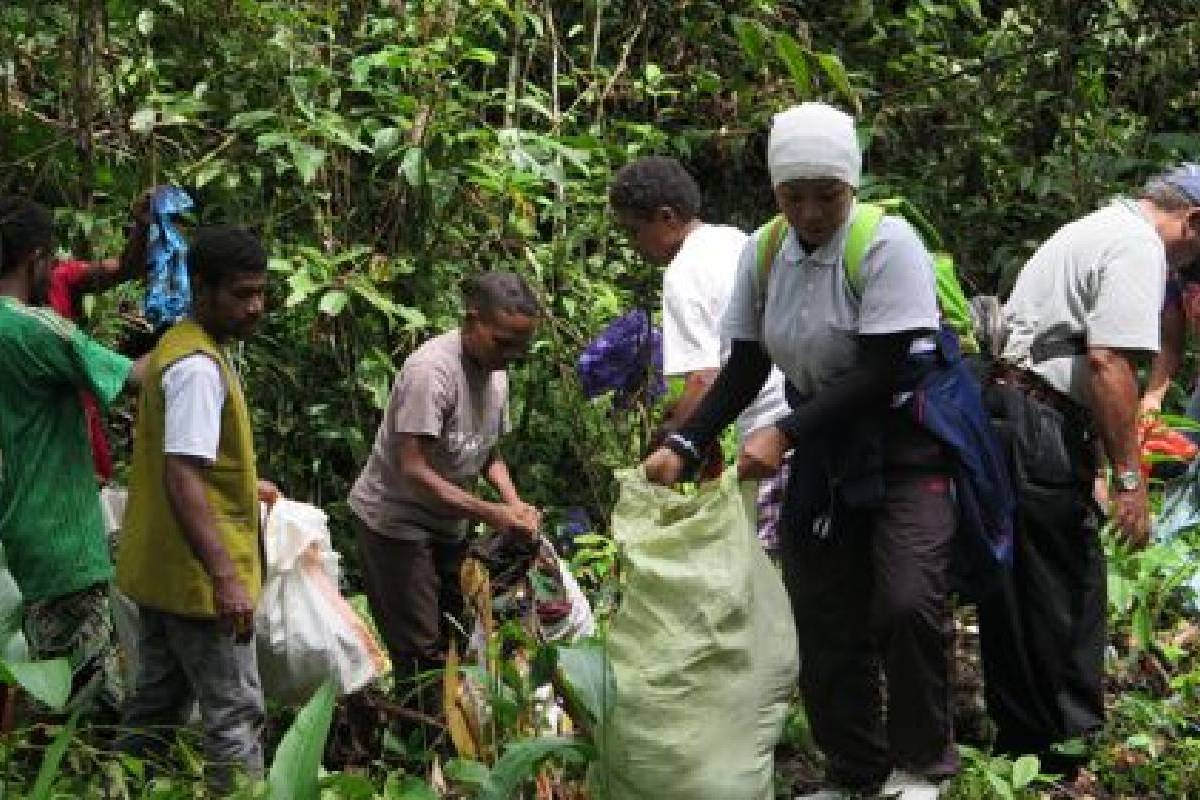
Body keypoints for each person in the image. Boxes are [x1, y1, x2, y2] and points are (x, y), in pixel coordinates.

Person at [642, 103, 961, 799]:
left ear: (851, 187)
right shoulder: (764, 251)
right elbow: (746, 365)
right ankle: (854, 771)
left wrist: (783, 433)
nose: (812, 212)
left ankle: (920, 767)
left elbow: (881, 371)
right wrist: (686, 441)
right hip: (824, 447)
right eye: (794, 196)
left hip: (905, 445)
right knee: (817, 608)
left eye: (828, 195)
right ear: (775, 193)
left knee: (907, 602)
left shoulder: (887, 244)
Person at [979, 164, 1200, 771]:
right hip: (1040, 425)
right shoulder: (1138, 248)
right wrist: (1130, 479)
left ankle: (1024, 737)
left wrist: (1097, 465)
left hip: (1014, 413)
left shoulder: (1095, 226)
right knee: (1062, 586)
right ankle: (1057, 749)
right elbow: (1108, 363)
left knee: (1022, 583)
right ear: (1193, 221)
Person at [116, 225, 272, 790]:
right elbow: (182, 474)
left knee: (157, 699)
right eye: (241, 294)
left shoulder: (179, 347)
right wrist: (226, 577)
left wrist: (246, 484)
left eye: (260, 293)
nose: (255, 307)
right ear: (201, 289)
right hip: (198, 578)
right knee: (236, 709)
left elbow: (187, 457)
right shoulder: (199, 370)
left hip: (160, 568)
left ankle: (124, 784)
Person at [348, 271, 541, 721]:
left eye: (520, 347)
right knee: (422, 652)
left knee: (459, 634)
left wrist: (513, 502)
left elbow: (488, 452)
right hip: (395, 522)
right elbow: (411, 468)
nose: (510, 356)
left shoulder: (496, 373)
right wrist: (491, 513)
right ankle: (422, 754)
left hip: (448, 523)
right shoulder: (430, 372)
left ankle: (454, 742)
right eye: (502, 342)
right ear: (471, 321)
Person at [0, 196, 142, 718]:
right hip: (62, 540)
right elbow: (136, 378)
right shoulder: (37, 328)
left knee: (44, 680)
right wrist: (191, 342)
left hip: (20, 532)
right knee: (85, 710)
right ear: (35, 258)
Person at [608, 155, 792, 551]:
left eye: (634, 232)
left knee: (769, 570)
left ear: (666, 217)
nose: (634, 245)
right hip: (801, 414)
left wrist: (672, 446)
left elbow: (705, 378)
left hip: (767, 431)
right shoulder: (734, 240)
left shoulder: (684, 271)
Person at [40, 193, 154, 484]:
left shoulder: (60, 278)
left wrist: (142, 226)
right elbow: (132, 376)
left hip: (77, 425)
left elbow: (126, 268)